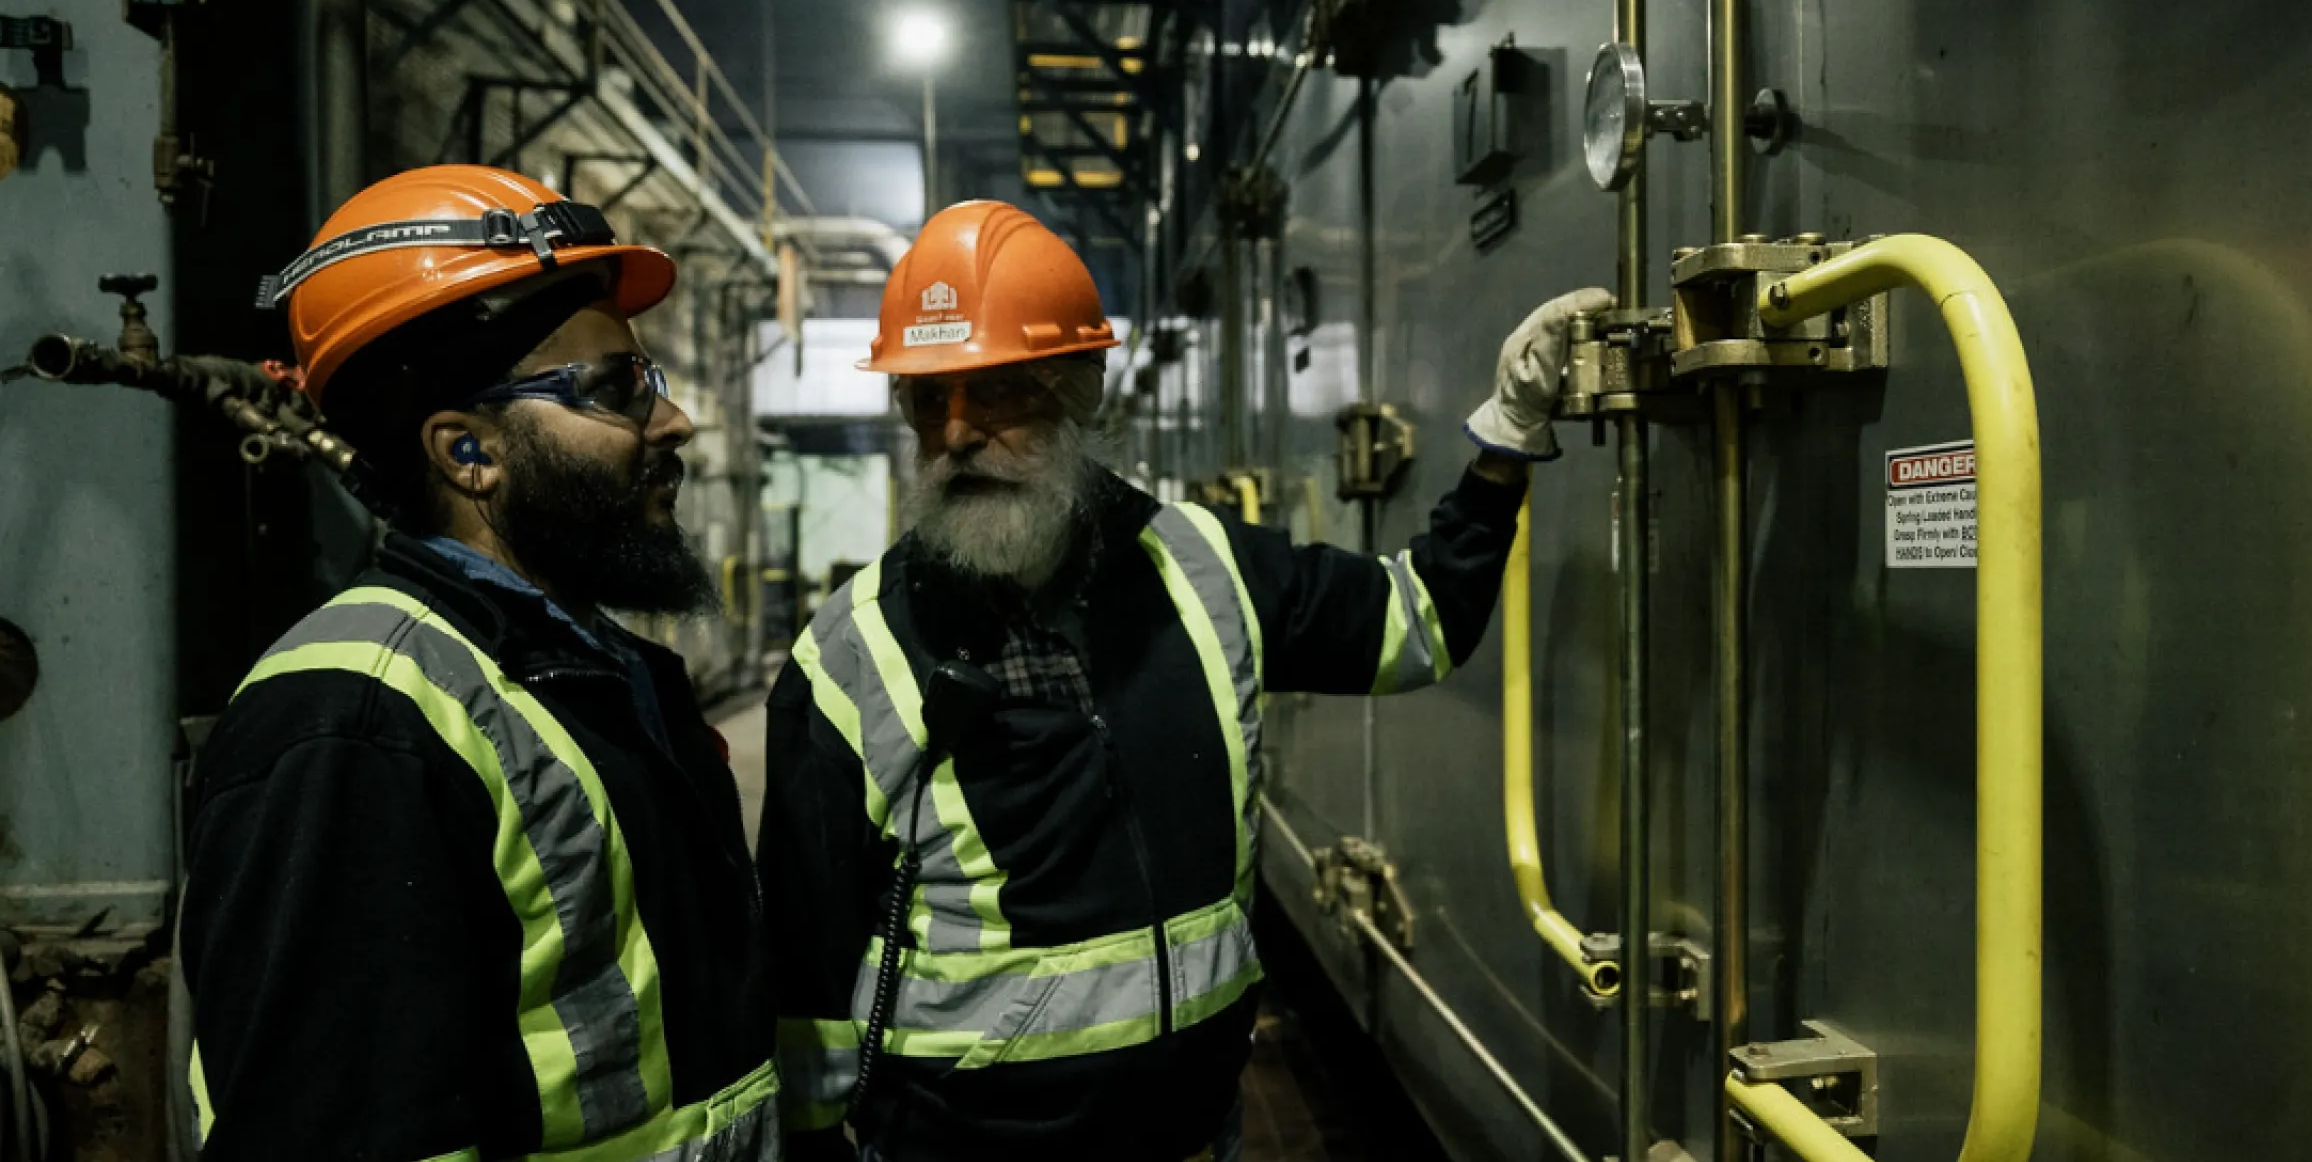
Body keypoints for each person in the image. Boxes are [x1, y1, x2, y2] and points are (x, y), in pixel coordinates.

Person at [759, 199, 1611, 1159]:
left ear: (1077, 391)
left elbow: (1416, 626)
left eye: (994, 391)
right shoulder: (848, 657)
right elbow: (805, 972)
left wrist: (1504, 440)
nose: (955, 433)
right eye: (928, 399)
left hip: (1193, 1134)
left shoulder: (1205, 568)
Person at [180, 165, 778, 1159]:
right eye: (617, 390)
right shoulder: (357, 726)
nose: (672, 423)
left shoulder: (586, 670)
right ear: (467, 454)